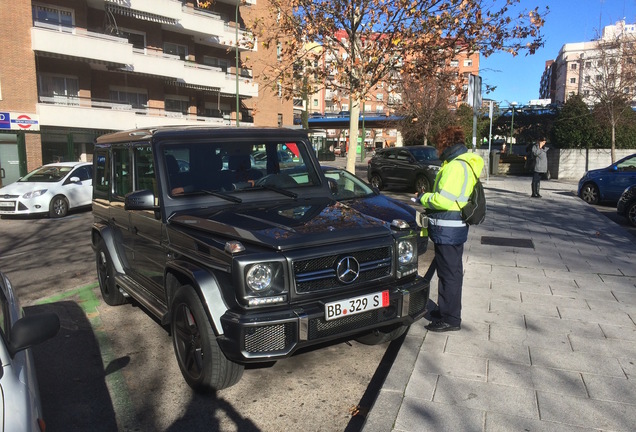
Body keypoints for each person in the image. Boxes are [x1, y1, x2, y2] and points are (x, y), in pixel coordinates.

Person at [416, 126, 484, 332]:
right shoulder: (460, 163)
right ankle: (446, 311)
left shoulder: (455, 166)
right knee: (449, 272)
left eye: (439, 145)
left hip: (448, 227)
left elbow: (444, 200)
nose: (437, 149)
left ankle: (451, 318)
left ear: (446, 144)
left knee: (450, 274)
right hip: (451, 228)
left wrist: (423, 198)